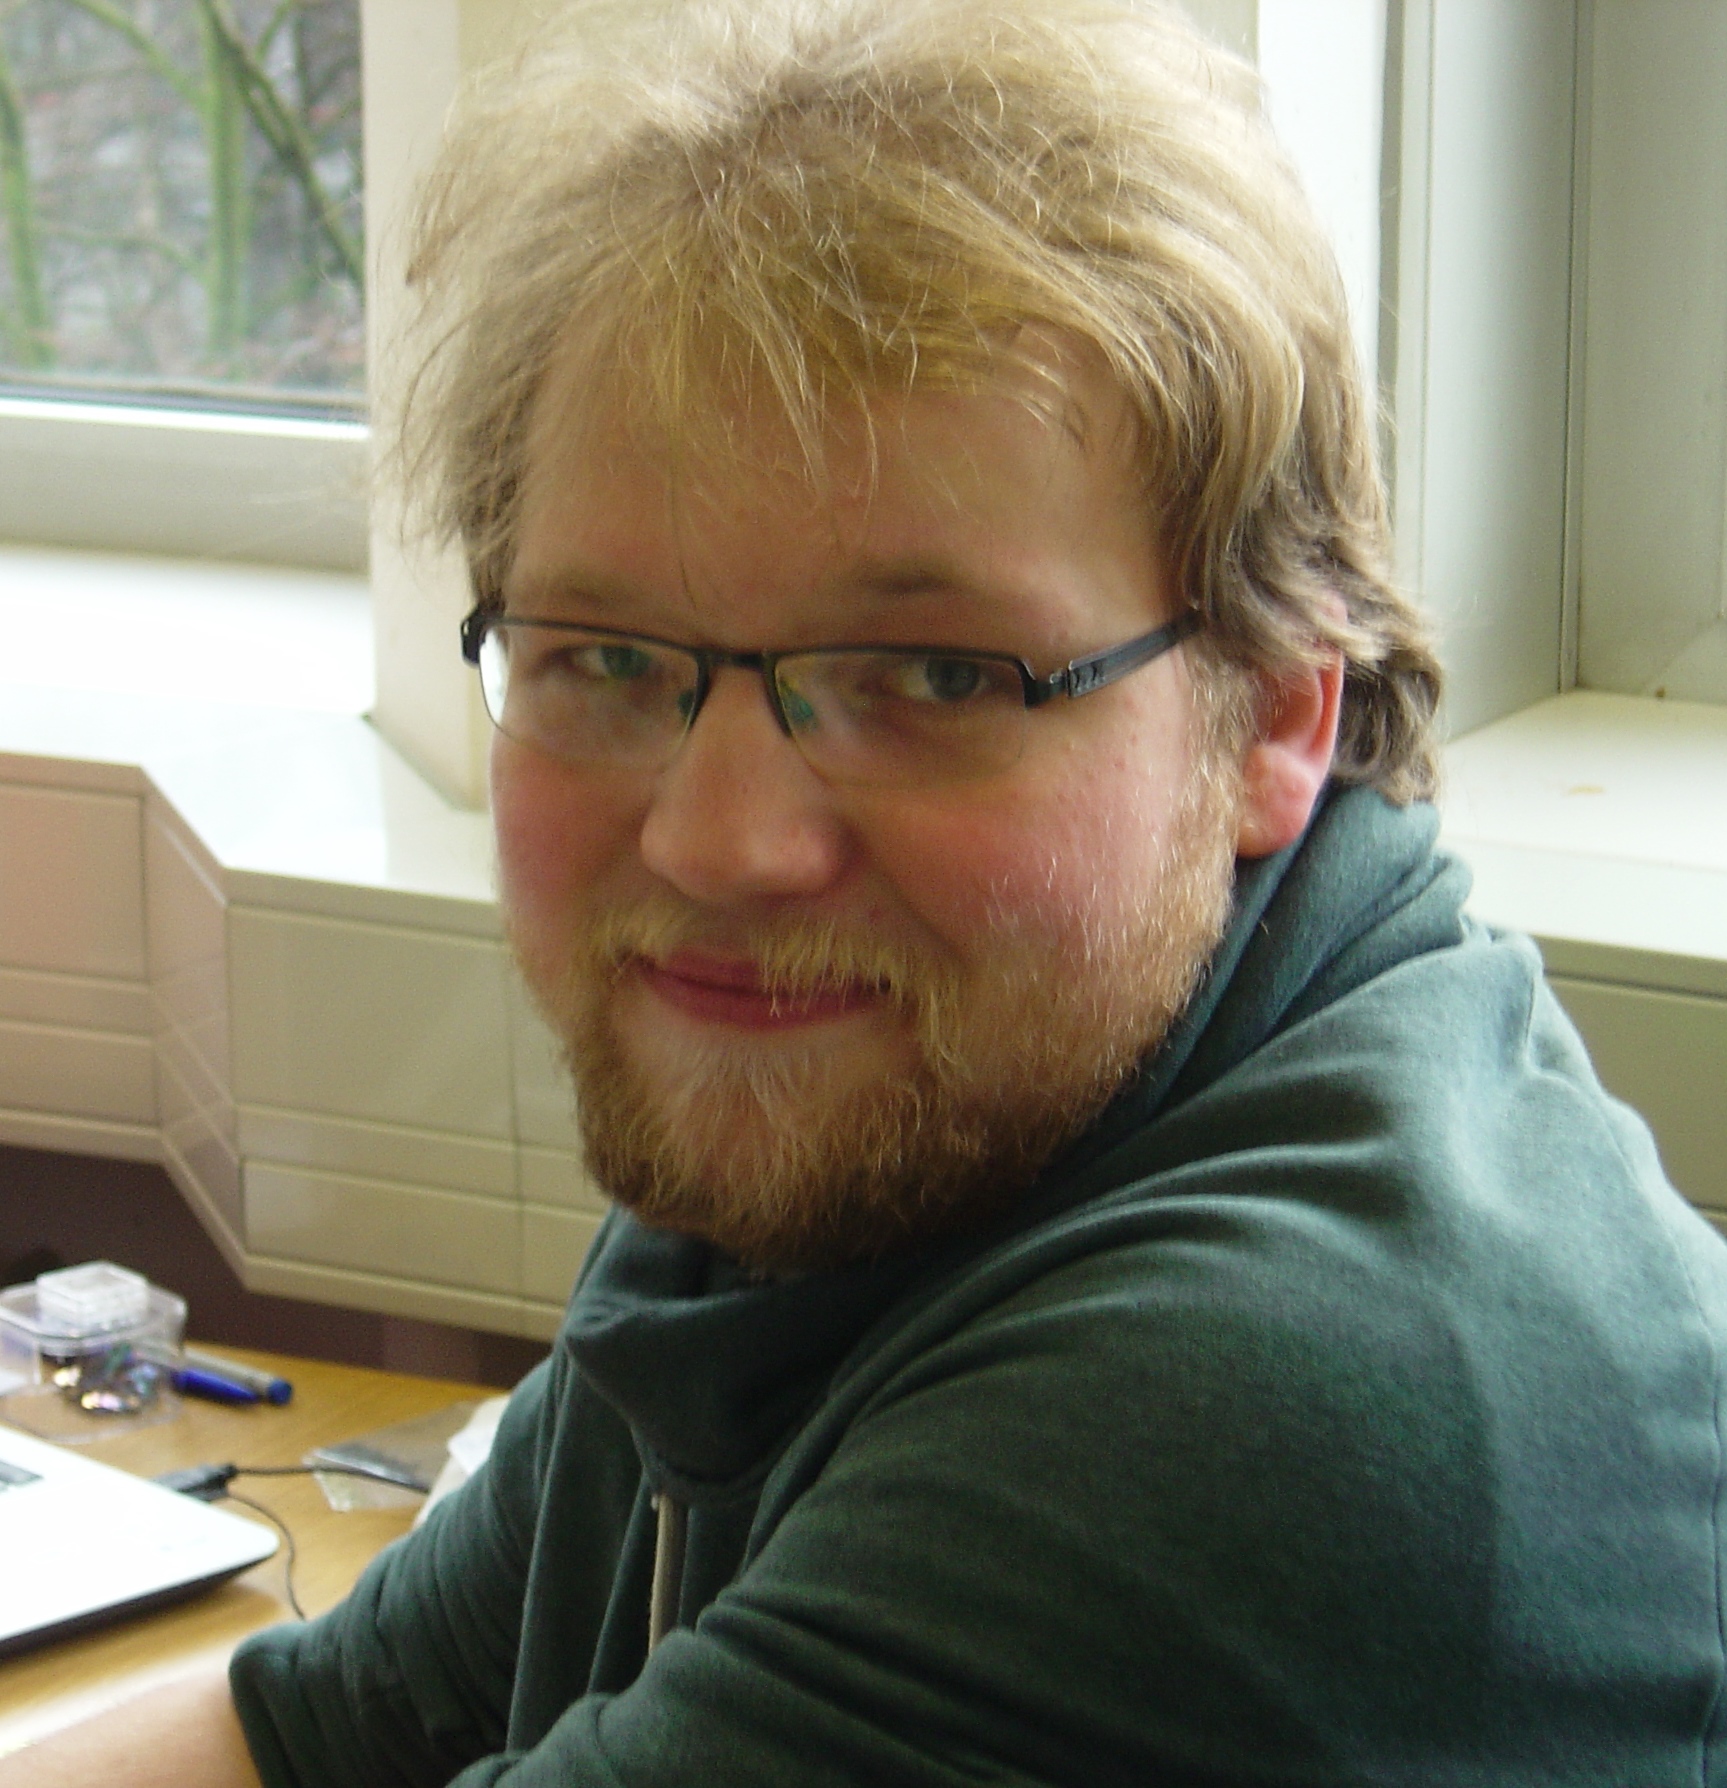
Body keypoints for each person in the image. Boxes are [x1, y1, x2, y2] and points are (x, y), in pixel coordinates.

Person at [13, 0, 1727, 1782]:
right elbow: (307, 1735)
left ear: (1277, 714)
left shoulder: (1271, 1421)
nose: (719, 844)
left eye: (934, 677)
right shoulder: (879, 1106)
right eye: (610, 656)